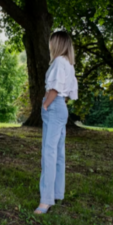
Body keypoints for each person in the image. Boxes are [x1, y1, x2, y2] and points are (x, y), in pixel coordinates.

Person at [34, 31, 78, 214]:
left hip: (54, 107)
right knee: (58, 152)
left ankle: (45, 201)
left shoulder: (59, 62)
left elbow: (55, 88)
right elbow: (70, 93)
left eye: (52, 42)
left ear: (57, 44)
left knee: (49, 153)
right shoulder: (69, 64)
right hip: (61, 107)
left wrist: (46, 104)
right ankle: (57, 193)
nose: (50, 46)